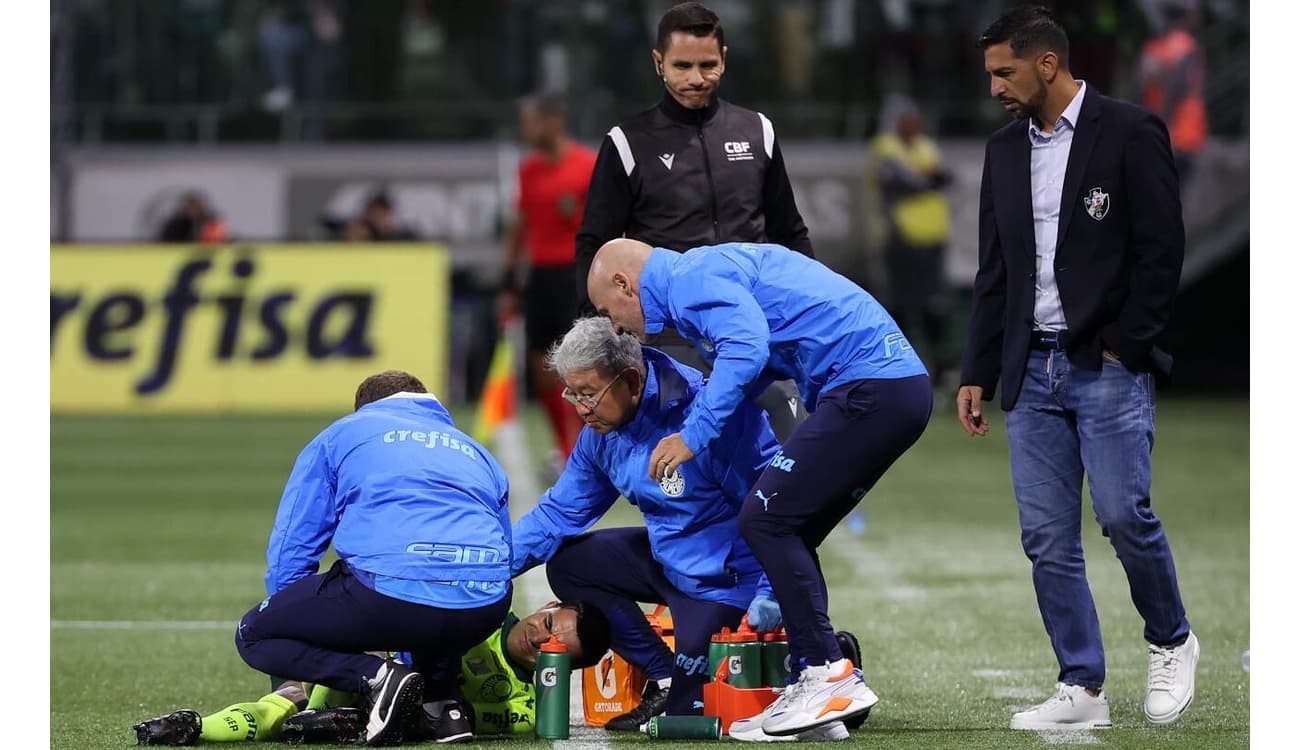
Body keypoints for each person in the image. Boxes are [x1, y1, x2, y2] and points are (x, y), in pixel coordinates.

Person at [958, 4, 1197, 731]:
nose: (995, 85)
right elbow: (995, 270)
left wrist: (1127, 343)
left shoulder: (1128, 131)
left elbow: (1163, 250)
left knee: (1125, 516)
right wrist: (978, 368)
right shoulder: (1003, 150)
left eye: (1005, 71)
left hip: (1106, 363)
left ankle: (1172, 639)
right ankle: (1082, 686)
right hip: (1030, 371)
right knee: (1046, 537)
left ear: (1047, 64)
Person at [586, 239, 932, 738]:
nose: (615, 327)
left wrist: (694, 433)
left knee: (764, 519)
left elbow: (746, 349)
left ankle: (826, 674)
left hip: (867, 388)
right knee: (790, 523)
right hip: (889, 387)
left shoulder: (686, 283)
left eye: (607, 311)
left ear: (624, 284)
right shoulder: (700, 273)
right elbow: (758, 362)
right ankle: (822, 688)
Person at [511, 317, 849, 742]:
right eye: (572, 393)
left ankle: (822, 653)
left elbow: (778, 505)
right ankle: (664, 675)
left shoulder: (712, 416)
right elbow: (557, 514)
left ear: (631, 381)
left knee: (695, 717)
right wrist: (489, 570)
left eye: (588, 394)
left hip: (729, 580)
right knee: (570, 564)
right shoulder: (602, 432)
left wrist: (769, 588)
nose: (579, 409)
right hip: (669, 559)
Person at [232, 370, 513, 746]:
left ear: (364, 408)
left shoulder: (341, 435)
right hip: (486, 607)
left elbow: (293, 547)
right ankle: (442, 706)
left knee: (253, 634)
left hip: (393, 599)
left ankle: (376, 677)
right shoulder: (476, 450)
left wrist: (297, 640)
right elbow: (502, 548)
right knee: (437, 601)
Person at [572, 1, 812, 442]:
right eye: (682, 65)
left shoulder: (758, 130)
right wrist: (603, 335)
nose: (696, 78)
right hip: (671, 340)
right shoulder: (626, 143)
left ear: (725, 59)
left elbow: (789, 232)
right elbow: (595, 246)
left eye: (707, 64)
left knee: (791, 455)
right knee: (689, 471)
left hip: (759, 327)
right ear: (658, 63)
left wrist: (809, 309)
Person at [131, 600, 611, 745]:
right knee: (299, 701)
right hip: (359, 669)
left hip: (385, 714)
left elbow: (451, 720)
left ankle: (198, 726)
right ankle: (305, 716)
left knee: (288, 710)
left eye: (553, 646)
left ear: (561, 665)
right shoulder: (475, 613)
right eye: (547, 623)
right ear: (546, 606)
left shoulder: (529, 711)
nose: (538, 636)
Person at [499, 91, 597, 464]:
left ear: (553, 122)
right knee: (542, 369)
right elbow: (519, 226)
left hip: (574, 276)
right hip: (540, 277)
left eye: (531, 122)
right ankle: (564, 447)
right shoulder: (528, 171)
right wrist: (509, 280)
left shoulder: (587, 165)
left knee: (580, 365)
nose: (525, 130)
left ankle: (584, 450)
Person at [866, 94, 955, 388]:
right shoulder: (884, 147)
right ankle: (901, 371)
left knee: (934, 307)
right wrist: (927, 176)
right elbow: (904, 181)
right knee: (901, 307)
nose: (914, 125)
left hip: (932, 239)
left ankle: (941, 374)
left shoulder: (925, 146)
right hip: (900, 239)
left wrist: (927, 176)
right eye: (907, 120)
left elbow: (947, 177)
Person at [1135, 0, 1206, 191]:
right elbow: (1179, 89)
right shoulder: (1186, 47)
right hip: (1182, 137)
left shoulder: (1152, 50)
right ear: (1186, 15)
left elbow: (1141, 93)